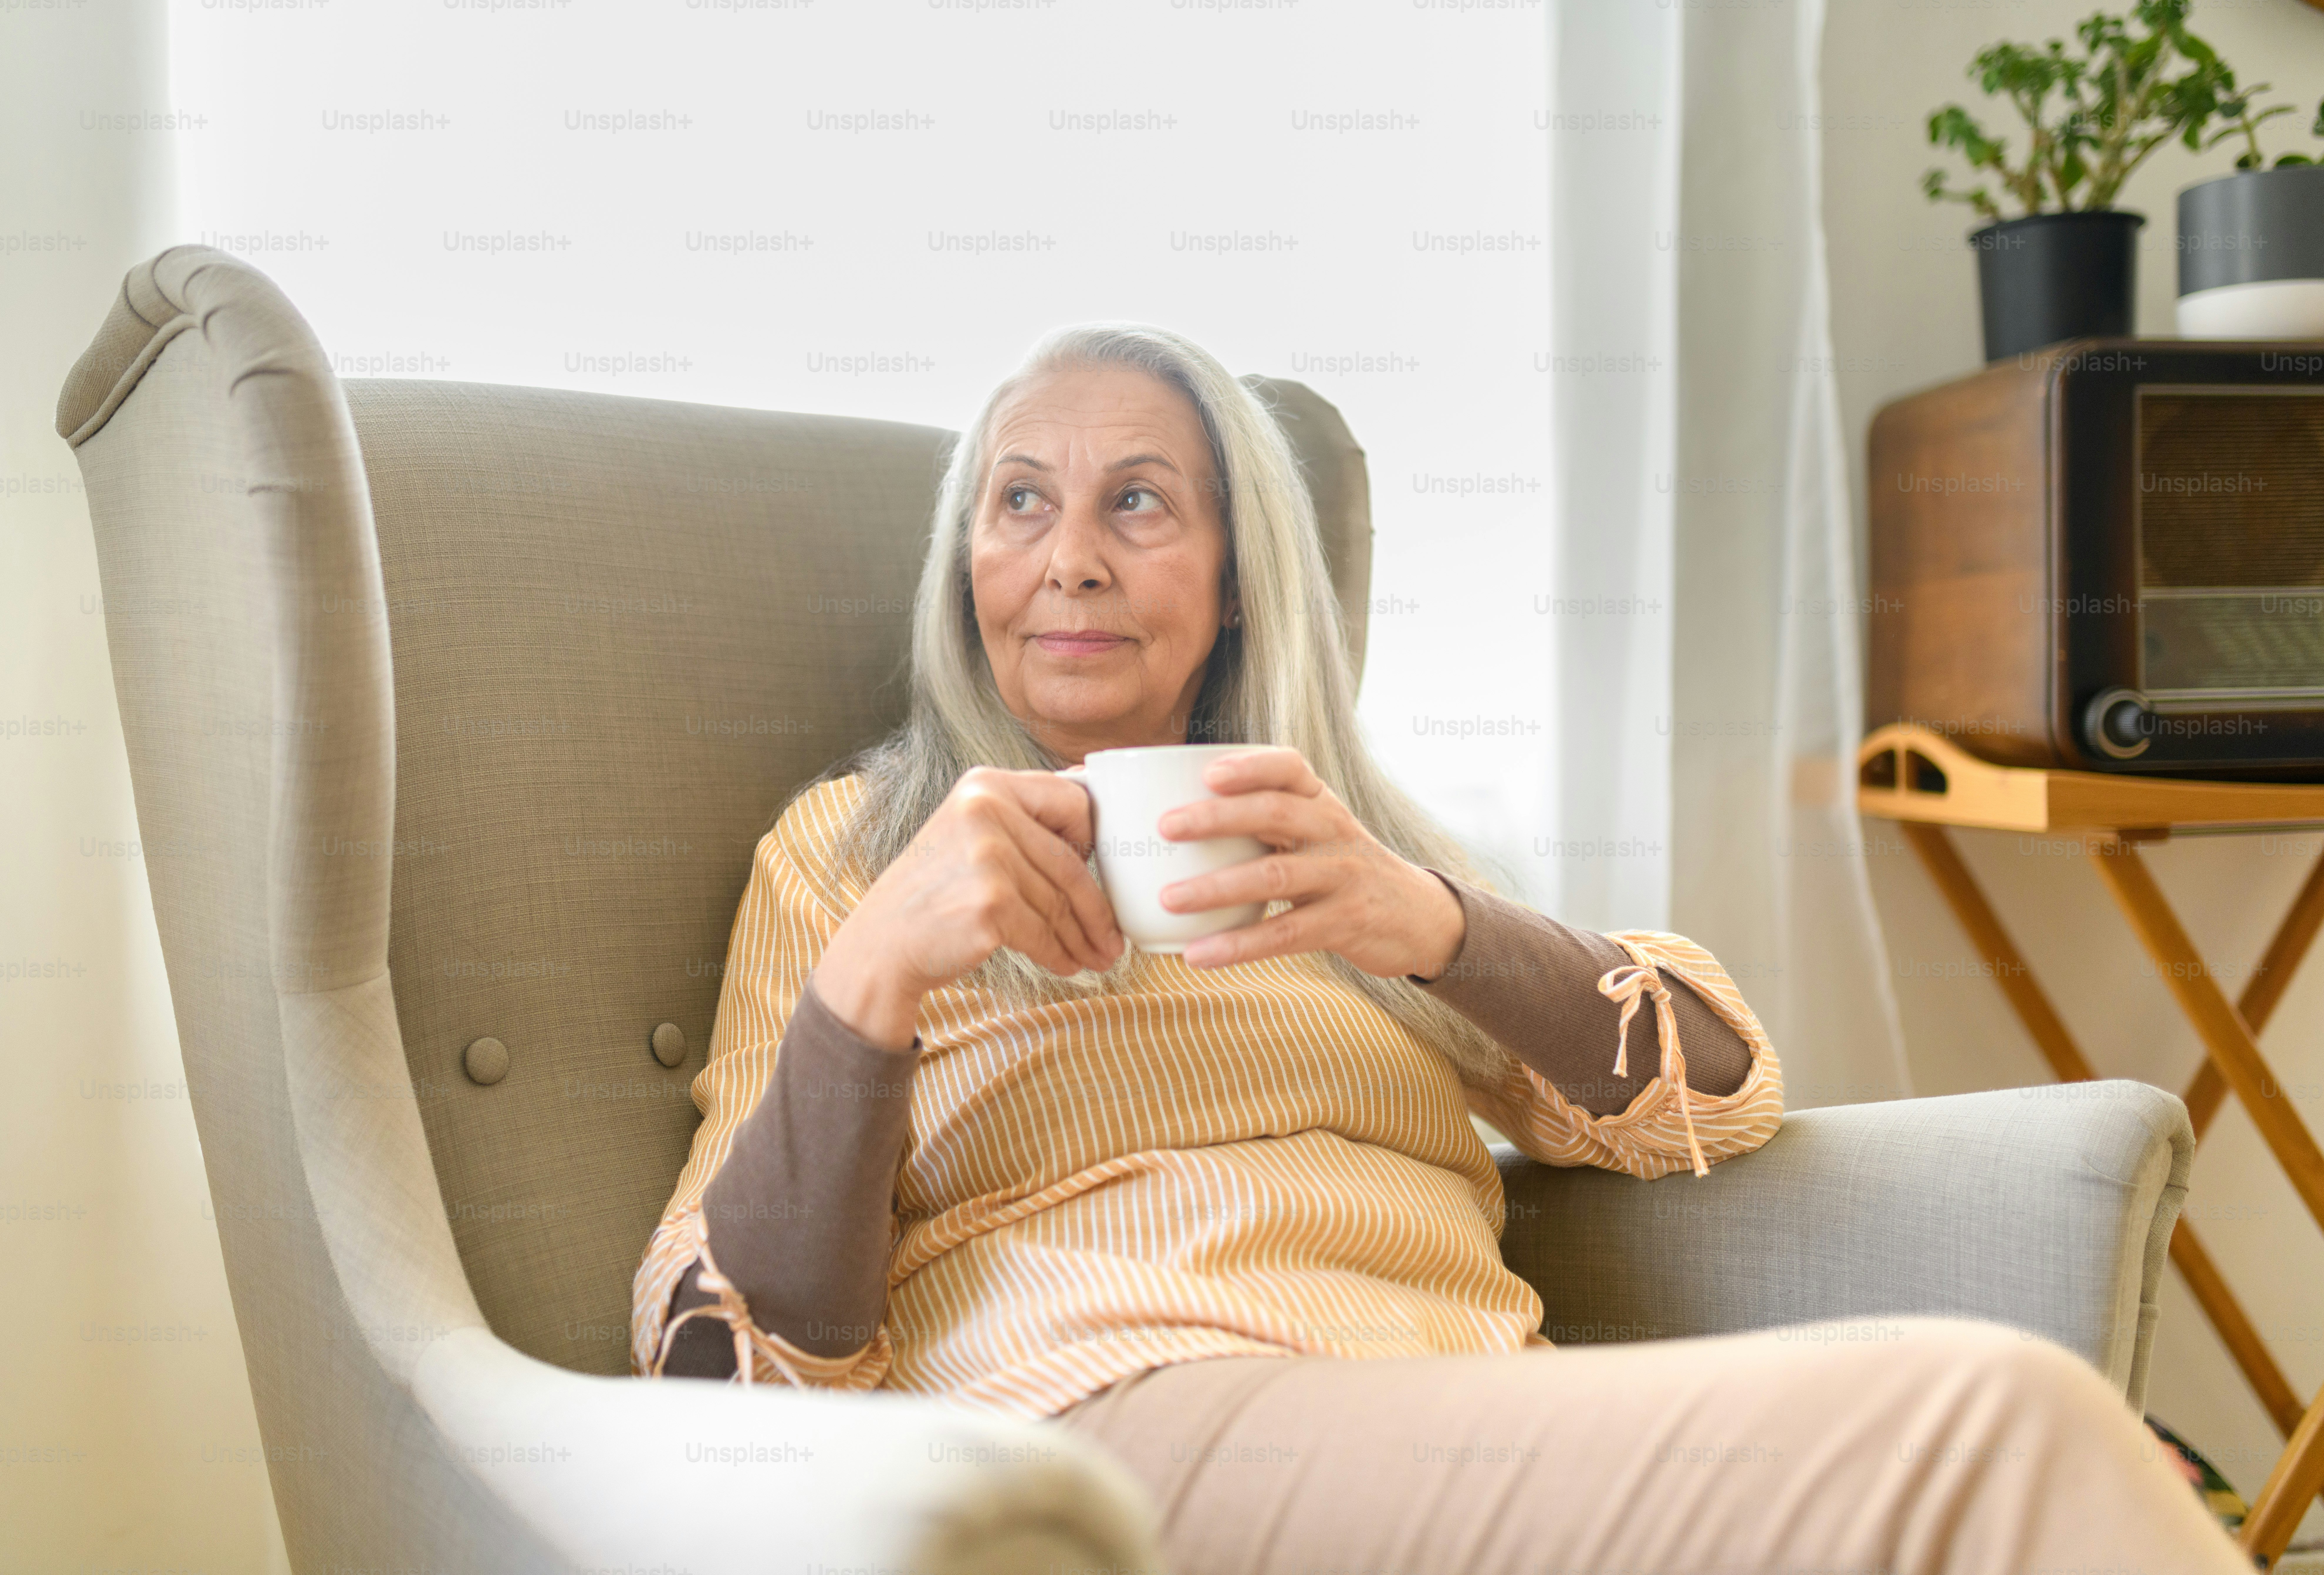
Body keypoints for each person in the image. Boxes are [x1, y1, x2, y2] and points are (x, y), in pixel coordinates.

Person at [631, 324, 2245, 1575]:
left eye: (1139, 502)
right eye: (1021, 503)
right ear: (966, 564)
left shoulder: (1345, 849)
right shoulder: (847, 854)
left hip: (1458, 1395)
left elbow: (1718, 1092)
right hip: (1101, 1420)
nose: (1071, 559)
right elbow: (738, 1374)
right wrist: (879, 975)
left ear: (1242, 582)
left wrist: (1435, 928)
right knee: (1994, 1422)